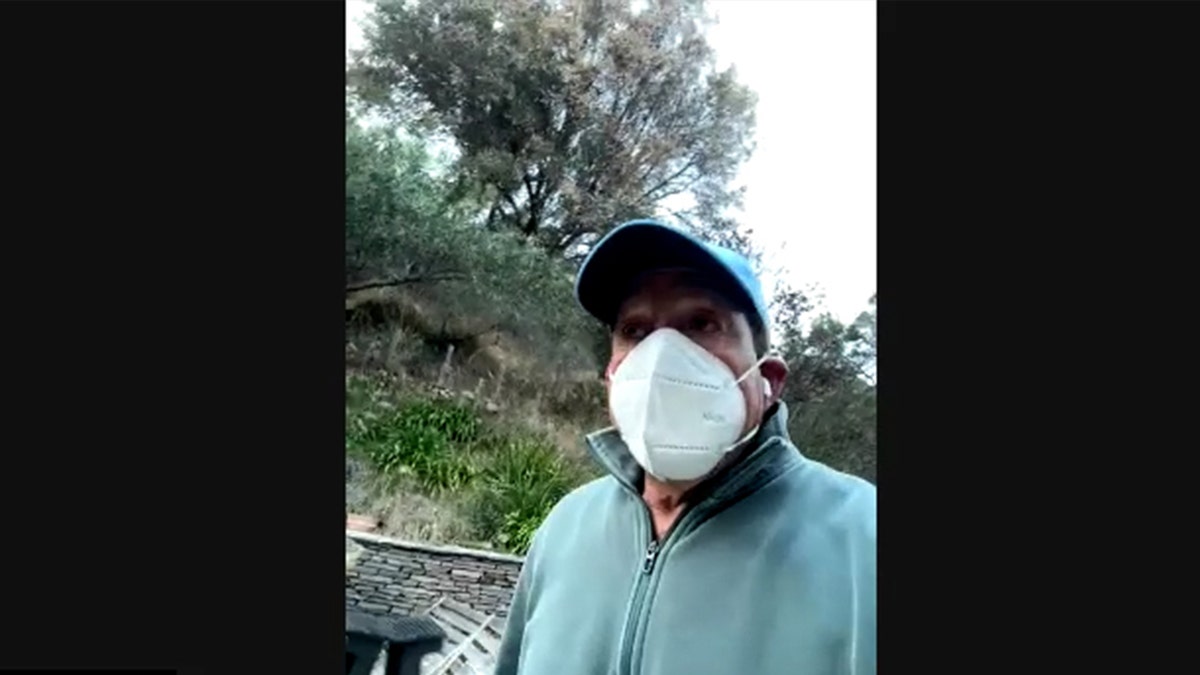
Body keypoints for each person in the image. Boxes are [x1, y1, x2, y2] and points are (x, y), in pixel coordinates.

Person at [493, 220, 876, 675]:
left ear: (768, 380)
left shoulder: (863, 540)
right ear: (612, 377)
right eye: (635, 331)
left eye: (701, 323)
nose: (661, 355)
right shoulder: (566, 528)